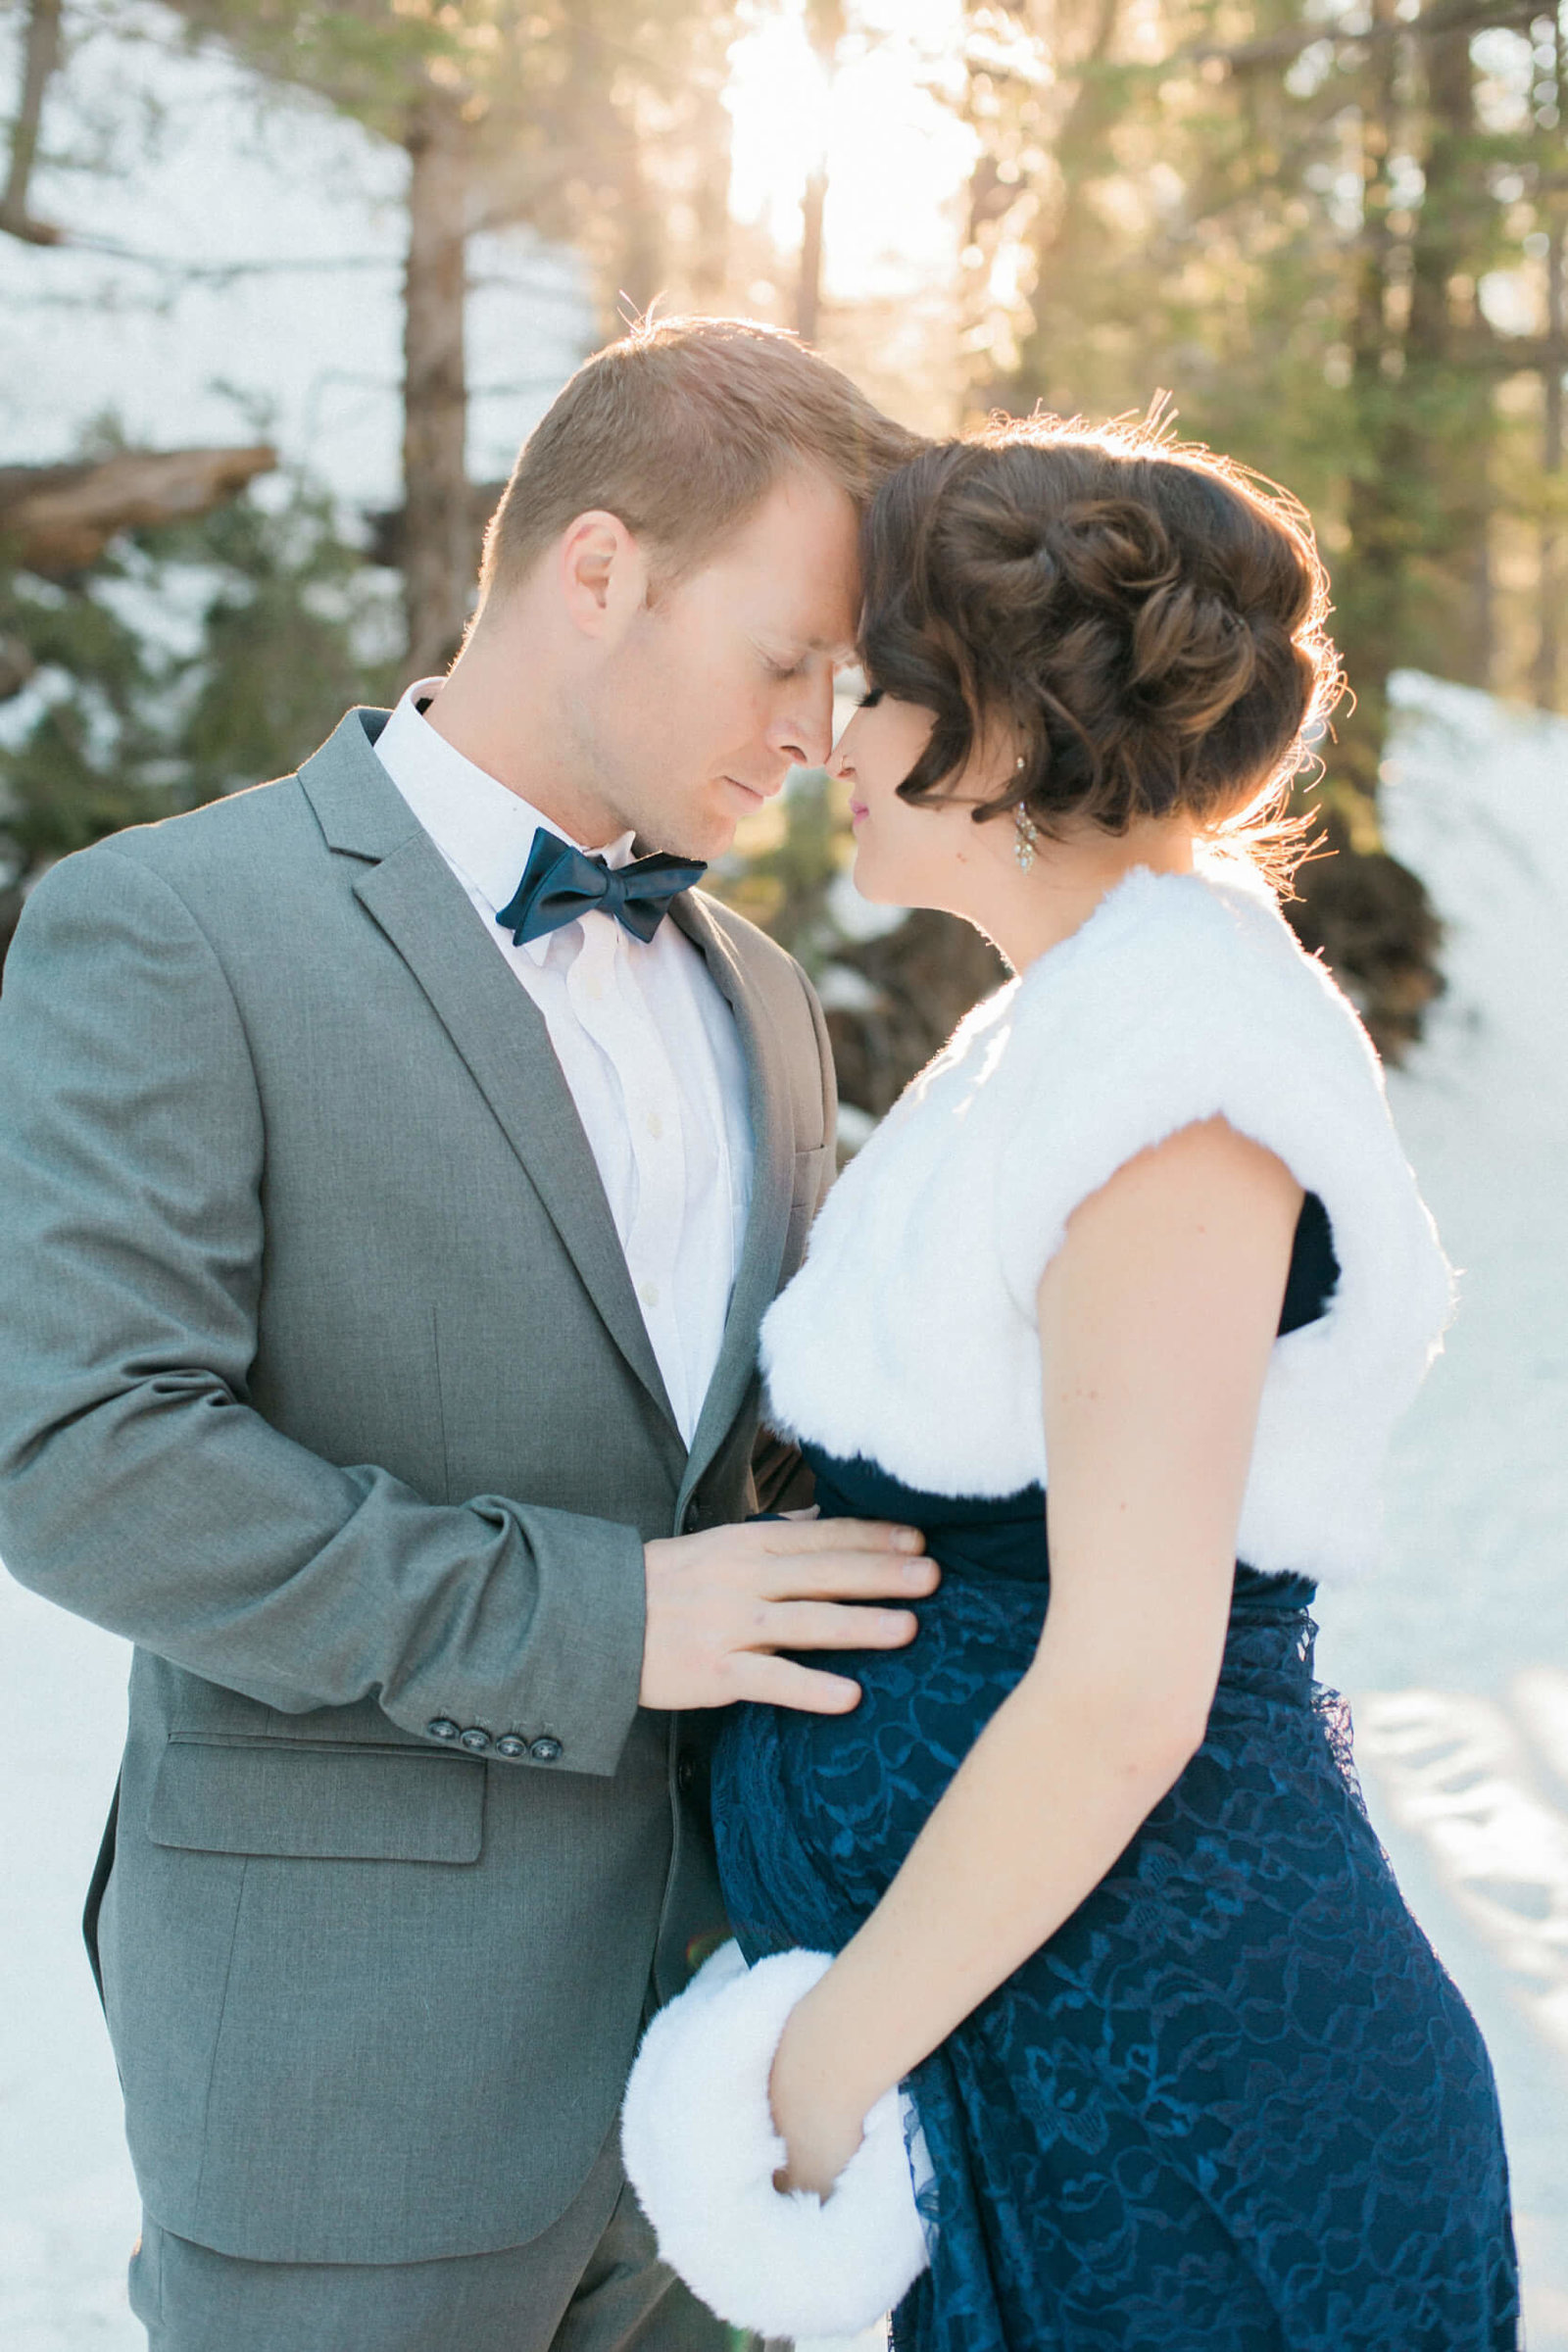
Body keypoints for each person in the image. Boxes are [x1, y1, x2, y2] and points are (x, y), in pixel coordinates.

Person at [0, 316, 936, 2352]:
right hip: (350, 2080)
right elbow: (82, 1457)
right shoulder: (171, 927)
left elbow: (745, 1476)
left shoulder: (760, 995)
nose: (812, 728)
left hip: (721, 2091)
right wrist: (600, 1627)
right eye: (788, 655)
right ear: (597, 569)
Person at [621, 414, 1522, 2350]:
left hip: (1181, 2096)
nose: (823, 743)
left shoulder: (1175, 1072)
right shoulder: (1063, 1034)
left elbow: (1124, 1689)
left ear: (1005, 727)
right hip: (1048, 2057)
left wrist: (810, 2076)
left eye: (871, 690)